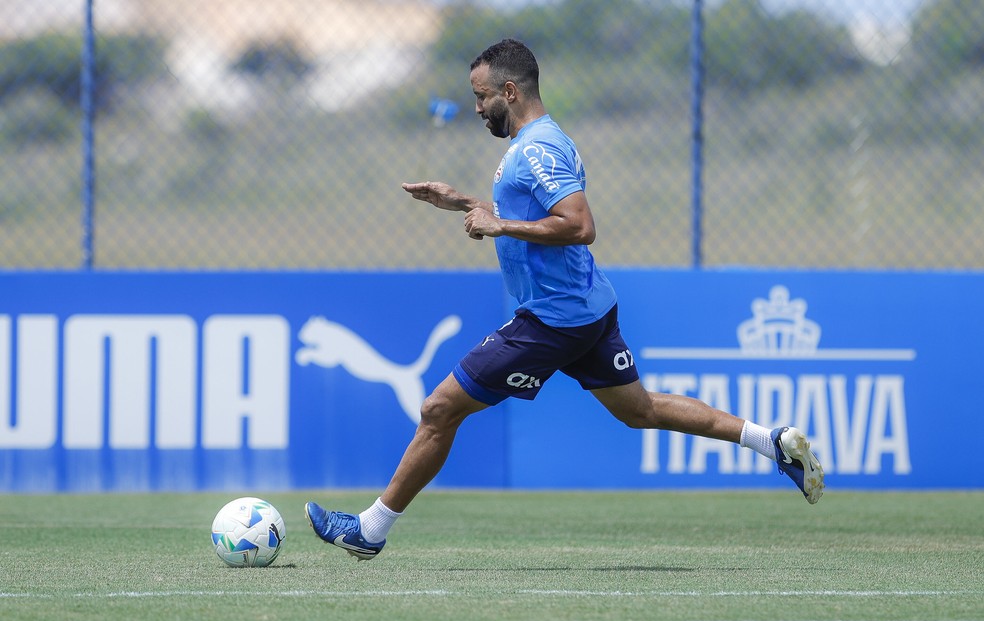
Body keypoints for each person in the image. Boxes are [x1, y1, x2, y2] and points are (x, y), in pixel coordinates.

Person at [305, 38, 823, 560]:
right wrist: (464, 203)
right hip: (586, 310)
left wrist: (497, 223)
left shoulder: (536, 148)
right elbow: (539, 213)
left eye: (482, 96)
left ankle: (369, 530)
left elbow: (579, 225)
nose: (477, 107)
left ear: (510, 90)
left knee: (438, 409)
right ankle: (770, 441)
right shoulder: (541, 141)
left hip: (552, 320)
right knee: (640, 410)